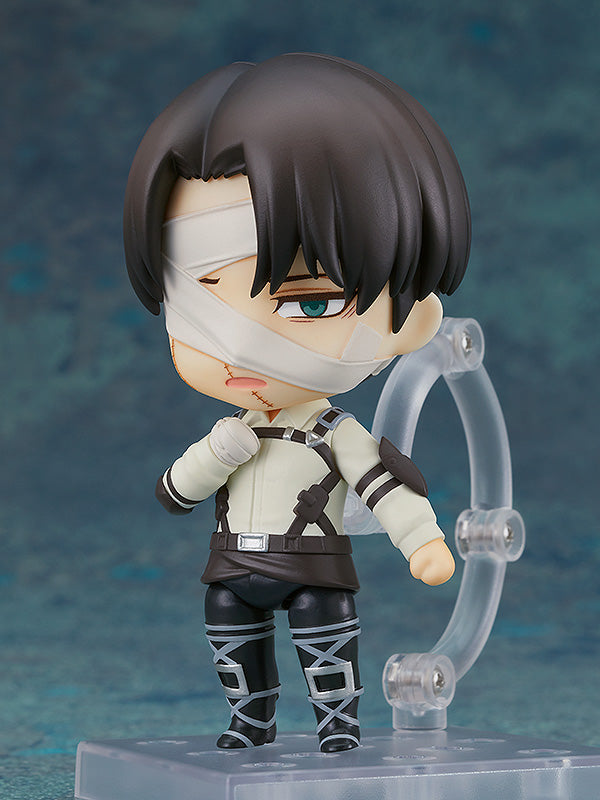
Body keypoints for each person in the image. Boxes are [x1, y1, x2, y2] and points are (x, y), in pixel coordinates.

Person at [123, 53, 471, 752]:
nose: (238, 346)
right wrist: (216, 452)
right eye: (197, 301)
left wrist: (423, 541)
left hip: (312, 566)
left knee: (325, 645)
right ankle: (249, 720)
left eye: (309, 303)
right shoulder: (235, 428)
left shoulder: (335, 431)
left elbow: (382, 484)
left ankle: (337, 725)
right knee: (231, 635)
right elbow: (176, 492)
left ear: (412, 321)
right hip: (233, 565)